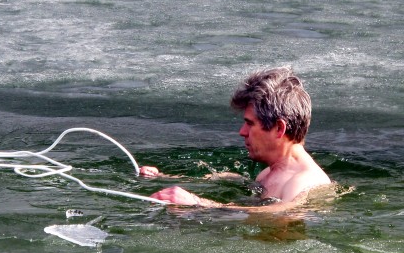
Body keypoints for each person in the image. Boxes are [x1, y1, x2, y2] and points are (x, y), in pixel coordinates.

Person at [141, 67, 332, 211]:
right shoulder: (267, 174)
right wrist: (165, 178)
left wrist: (198, 203)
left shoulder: (305, 182)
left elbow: (281, 213)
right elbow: (242, 183)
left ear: (279, 128)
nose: (242, 131)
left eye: (250, 124)